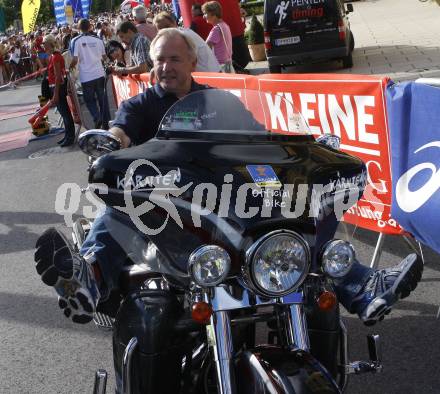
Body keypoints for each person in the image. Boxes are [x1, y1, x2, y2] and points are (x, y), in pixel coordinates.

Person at [34, 28, 423, 327]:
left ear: (191, 62)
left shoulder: (219, 101)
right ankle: (90, 276)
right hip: (166, 206)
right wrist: (112, 143)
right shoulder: (142, 104)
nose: (164, 67)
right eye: (158, 60)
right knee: (119, 208)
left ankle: (359, 286)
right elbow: (121, 130)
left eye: (173, 58)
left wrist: (301, 152)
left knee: (296, 216)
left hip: (223, 203)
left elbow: (260, 137)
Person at [69, 18, 110, 129]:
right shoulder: (97, 39)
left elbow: (75, 59)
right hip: (99, 73)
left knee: (89, 100)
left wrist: (69, 67)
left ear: (78, 28)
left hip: (86, 76)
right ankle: (106, 124)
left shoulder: (75, 40)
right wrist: (109, 65)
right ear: (90, 27)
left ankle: (97, 117)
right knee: (103, 100)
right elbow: (105, 57)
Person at [153, 11, 220, 72]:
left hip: (209, 76)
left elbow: (180, 63)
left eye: (167, 26)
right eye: (161, 29)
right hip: (211, 73)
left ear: (174, 23)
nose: (165, 30)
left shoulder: (181, 37)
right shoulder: (182, 32)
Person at [42, 34, 75, 147]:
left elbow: (58, 77)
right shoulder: (52, 56)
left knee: (65, 113)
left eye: (45, 45)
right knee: (63, 112)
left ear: (50, 44)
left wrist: (55, 94)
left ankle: (70, 136)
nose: (44, 47)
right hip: (55, 87)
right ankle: (68, 135)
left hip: (57, 88)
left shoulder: (56, 57)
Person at [202, 1, 234, 73]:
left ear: (212, 13)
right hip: (228, 64)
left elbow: (205, 48)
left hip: (219, 66)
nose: (203, 16)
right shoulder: (225, 25)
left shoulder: (216, 29)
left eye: (205, 13)